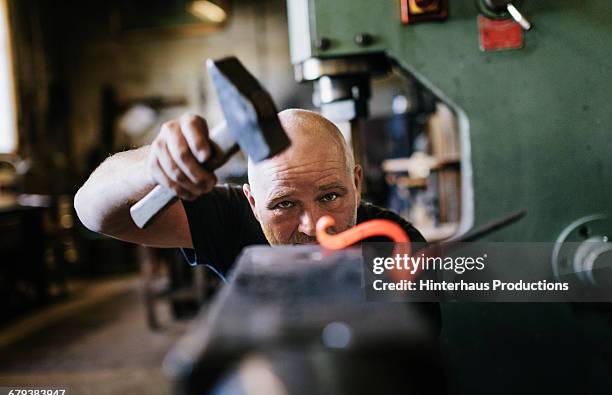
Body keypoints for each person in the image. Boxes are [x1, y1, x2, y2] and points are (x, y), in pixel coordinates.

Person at [74, 109, 426, 274]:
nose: (312, 225)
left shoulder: (399, 244)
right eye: (284, 203)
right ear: (253, 203)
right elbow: (93, 211)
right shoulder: (229, 219)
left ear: (357, 183)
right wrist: (155, 164)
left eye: (330, 196)